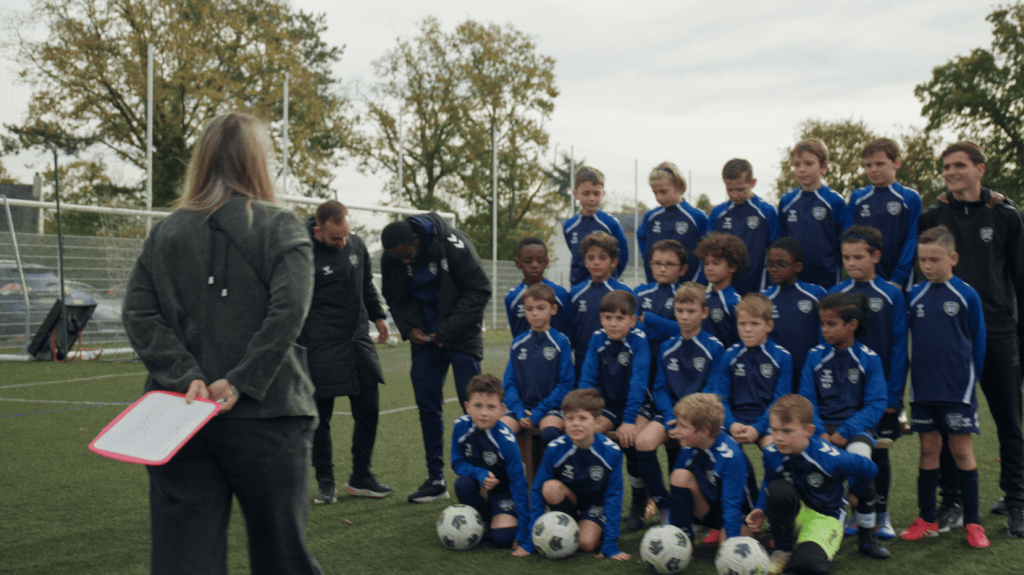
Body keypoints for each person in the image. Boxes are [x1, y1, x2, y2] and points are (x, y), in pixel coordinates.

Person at [122, 112, 323, 574]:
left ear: (202, 159)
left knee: (183, 561)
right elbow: (289, 311)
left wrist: (185, 377)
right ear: (259, 161)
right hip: (270, 416)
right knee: (282, 558)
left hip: (179, 419)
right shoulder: (281, 226)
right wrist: (238, 382)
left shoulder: (166, 232)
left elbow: (138, 313)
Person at [919, 141, 1024, 538]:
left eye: (959, 165)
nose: (951, 172)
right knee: (948, 424)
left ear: (980, 169)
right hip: (948, 339)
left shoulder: (1006, 215)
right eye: (946, 166)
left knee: (1009, 422)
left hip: (998, 333)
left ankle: (1016, 500)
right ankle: (953, 502)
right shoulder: (935, 214)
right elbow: (923, 270)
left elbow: (1020, 278)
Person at [380, 212, 492, 503]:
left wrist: (447, 330)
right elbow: (395, 299)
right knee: (427, 404)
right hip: (425, 339)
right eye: (398, 259)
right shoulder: (391, 258)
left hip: (461, 334)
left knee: (474, 407)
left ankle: (482, 478)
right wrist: (409, 328)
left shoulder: (453, 244)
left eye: (407, 255)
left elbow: (480, 289)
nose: (404, 262)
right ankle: (436, 479)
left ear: (416, 239)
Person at [899, 225, 990, 548]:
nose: (927, 266)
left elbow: (978, 343)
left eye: (935, 259)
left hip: (957, 391)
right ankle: (927, 518)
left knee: (961, 450)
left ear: (953, 258)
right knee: (928, 450)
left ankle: (974, 523)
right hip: (923, 390)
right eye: (923, 260)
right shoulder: (915, 296)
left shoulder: (967, 295)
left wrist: (971, 381)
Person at [300, 200, 392, 504]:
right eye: (335, 238)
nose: (343, 242)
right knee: (320, 417)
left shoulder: (355, 245)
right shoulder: (300, 251)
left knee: (369, 408)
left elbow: (366, 283)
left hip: (356, 339)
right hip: (320, 344)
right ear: (317, 230)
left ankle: (361, 475)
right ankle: (326, 482)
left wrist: (378, 316)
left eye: (346, 235)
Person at [797, 292, 890, 560]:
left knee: (862, 463)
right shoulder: (814, 356)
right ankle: (809, 529)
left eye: (831, 324)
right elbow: (806, 399)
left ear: (851, 325)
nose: (825, 330)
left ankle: (866, 535)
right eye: (822, 324)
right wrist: (822, 431)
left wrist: (844, 432)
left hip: (856, 429)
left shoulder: (869, 358)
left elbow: (876, 403)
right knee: (804, 466)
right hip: (819, 428)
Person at [746, 394, 879, 575]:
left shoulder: (829, 458)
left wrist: (855, 493)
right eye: (774, 430)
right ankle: (782, 549)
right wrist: (761, 508)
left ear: (809, 430)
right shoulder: (771, 453)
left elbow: (869, 468)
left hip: (825, 519)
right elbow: (769, 481)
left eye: (787, 431)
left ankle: (804, 551)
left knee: (808, 565)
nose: (778, 438)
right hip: (795, 514)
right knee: (778, 490)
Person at [830, 225, 907, 538]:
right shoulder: (836, 295)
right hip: (843, 392)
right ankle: (855, 511)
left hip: (880, 393)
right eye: (846, 257)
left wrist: (893, 394)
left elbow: (900, 346)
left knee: (879, 452)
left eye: (858, 257)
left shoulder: (891, 295)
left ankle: (882, 512)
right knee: (846, 451)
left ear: (876, 256)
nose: (851, 262)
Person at [636, 282, 726, 525]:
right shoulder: (667, 347)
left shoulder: (715, 348)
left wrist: (688, 421)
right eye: (680, 311)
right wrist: (669, 416)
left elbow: (712, 393)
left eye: (691, 311)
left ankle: (692, 513)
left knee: (688, 450)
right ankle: (663, 502)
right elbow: (660, 388)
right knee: (642, 442)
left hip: (699, 419)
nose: (685, 317)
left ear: (704, 313)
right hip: (670, 414)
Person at [517, 389, 630, 561]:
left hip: (595, 506)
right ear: (564, 421)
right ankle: (570, 521)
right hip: (571, 501)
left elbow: (614, 497)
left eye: (583, 418)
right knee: (549, 487)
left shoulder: (611, 452)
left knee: (586, 544)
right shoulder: (555, 448)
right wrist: (530, 541)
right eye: (570, 419)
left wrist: (610, 543)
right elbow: (537, 491)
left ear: (597, 422)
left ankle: (592, 527)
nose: (576, 424)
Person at [577, 290, 652, 528]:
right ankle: (593, 497)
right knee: (590, 435)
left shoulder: (639, 340)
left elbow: (638, 384)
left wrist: (629, 419)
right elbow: (587, 379)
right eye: (608, 317)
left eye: (620, 318)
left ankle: (639, 495)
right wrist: (585, 414)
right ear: (601, 319)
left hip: (638, 406)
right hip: (608, 406)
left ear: (633, 320)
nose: (613, 323)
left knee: (631, 439)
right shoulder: (598, 339)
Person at [452, 374, 531, 551]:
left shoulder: (506, 440)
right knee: (463, 484)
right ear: (467, 406)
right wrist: (480, 474)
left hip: (505, 492)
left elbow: (518, 486)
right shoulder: (460, 427)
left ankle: (505, 517)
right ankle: (483, 518)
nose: (484, 412)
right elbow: (457, 463)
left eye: (491, 406)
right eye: (478, 405)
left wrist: (524, 532)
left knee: (503, 539)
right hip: (482, 488)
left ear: (501, 410)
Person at [667, 393, 759, 544]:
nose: (677, 431)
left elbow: (732, 504)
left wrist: (730, 539)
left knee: (729, 552)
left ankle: (727, 533)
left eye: (683, 426)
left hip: (739, 515)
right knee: (679, 476)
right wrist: (674, 529)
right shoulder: (687, 446)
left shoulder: (730, 455)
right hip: (711, 509)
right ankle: (683, 540)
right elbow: (676, 497)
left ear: (704, 431)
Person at [709, 293, 792, 450]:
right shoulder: (729, 355)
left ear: (769, 326)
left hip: (768, 420)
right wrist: (731, 424)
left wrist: (757, 428)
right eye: (742, 323)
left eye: (754, 324)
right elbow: (720, 399)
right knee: (721, 450)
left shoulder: (782, 357)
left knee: (774, 450)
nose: (747, 330)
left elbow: (780, 402)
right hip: (734, 419)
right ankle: (745, 475)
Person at [500, 284, 573, 448]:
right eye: (529, 309)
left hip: (549, 408)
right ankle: (514, 473)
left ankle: (548, 473)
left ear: (553, 309)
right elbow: (509, 382)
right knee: (500, 433)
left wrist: (539, 411)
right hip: (521, 409)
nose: (534, 313)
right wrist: (519, 410)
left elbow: (565, 384)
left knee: (550, 434)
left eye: (541, 308)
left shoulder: (561, 342)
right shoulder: (518, 342)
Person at [778, 138, 853, 289]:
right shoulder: (787, 201)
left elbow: (847, 240)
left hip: (828, 280)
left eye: (808, 163)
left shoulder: (834, 201)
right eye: (797, 165)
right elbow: (780, 242)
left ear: (824, 167)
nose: (802, 169)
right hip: (794, 281)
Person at [848, 138, 921, 291]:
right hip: (864, 278)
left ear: (897, 163)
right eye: (868, 165)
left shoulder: (910, 198)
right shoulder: (857, 198)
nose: (873, 169)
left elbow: (912, 239)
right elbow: (850, 239)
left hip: (898, 280)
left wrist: (899, 277)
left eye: (879, 164)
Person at [762, 237, 827, 392]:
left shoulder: (816, 294)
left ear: (798, 267)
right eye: (770, 264)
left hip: (809, 373)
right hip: (774, 375)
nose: (774, 269)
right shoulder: (763, 299)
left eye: (781, 264)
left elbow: (826, 334)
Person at [710, 159, 780, 294]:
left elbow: (776, 250)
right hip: (724, 288)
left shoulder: (767, 212)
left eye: (740, 189)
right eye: (730, 190)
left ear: (752, 183)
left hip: (758, 286)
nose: (735, 194)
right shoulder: (717, 214)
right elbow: (708, 253)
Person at [568, 231, 632, 381]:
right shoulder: (576, 293)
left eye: (602, 258)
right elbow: (571, 331)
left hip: (616, 362)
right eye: (591, 258)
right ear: (585, 261)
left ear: (613, 262)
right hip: (583, 362)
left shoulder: (624, 292)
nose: (596, 262)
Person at [637, 162, 708, 284]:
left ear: (679, 187)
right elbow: (642, 238)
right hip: (656, 287)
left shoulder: (697, 217)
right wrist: (650, 262)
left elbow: (707, 252)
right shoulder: (650, 217)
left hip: (687, 290)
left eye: (663, 192)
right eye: (655, 192)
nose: (659, 197)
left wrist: (701, 282)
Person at [563, 166, 629, 286]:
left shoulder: (611, 224)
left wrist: (610, 278)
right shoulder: (569, 226)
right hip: (578, 286)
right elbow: (576, 254)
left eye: (596, 193)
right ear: (575, 194)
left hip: (606, 287)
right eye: (586, 193)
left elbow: (622, 256)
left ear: (603, 194)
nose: (591, 198)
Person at [505, 237, 570, 338]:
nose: (534, 265)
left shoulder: (560, 294)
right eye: (528, 261)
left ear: (546, 263)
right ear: (518, 264)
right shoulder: (512, 297)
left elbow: (567, 329)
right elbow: (515, 332)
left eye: (540, 261)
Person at [695, 232, 748, 349]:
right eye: (706, 263)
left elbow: (741, 343)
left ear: (732, 267)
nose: (709, 268)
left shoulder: (735, 302)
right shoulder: (703, 297)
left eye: (716, 263)